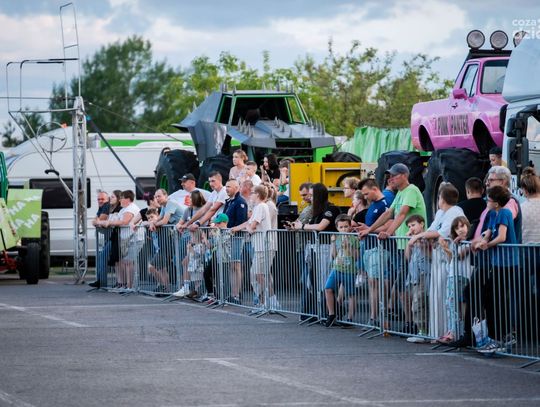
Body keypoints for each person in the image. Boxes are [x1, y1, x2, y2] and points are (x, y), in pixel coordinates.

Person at [359, 163, 427, 334]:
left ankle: (415, 324)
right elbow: (388, 213)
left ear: (404, 175)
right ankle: (410, 322)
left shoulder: (411, 190)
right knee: (403, 286)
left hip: (413, 246)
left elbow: (402, 213)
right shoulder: (401, 193)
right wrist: (370, 229)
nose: (391, 179)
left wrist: (388, 232)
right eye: (390, 176)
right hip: (403, 246)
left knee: (408, 286)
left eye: (394, 176)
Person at [407, 183, 464, 339]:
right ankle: (436, 332)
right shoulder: (440, 213)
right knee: (436, 297)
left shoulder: (455, 212)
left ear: (442, 198)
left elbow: (441, 233)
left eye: (439, 197)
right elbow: (431, 230)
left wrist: (419, 236)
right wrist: (420, 236)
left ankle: (449, 332)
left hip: (447, 259)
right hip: (437, 259)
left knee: (446, 298)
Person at [473, 186, 519, 350]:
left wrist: (487, 245)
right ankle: (495, 335)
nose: (486, 201)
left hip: (507, 263)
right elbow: (488, 232)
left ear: (497, 203)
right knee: (491, 297)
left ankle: (501, 336)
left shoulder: (504, 213)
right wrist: (483, 240)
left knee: (498, 299)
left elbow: (502, 236)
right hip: (497, 262)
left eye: (489, 199)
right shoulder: (493, 213)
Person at [291, 183, 341, 319]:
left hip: (326, 248)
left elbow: (320, 226)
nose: (310, 198)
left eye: (312, 195)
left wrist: (302, 226)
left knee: (324, 282)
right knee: (312, 282)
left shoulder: (331, 209)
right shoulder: (316, 211)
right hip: (314, 248)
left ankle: (330, 313)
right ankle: (318, 312)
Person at [357, 178, 392, 327]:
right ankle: (373, 317)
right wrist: (364, 229)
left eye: (366, 194)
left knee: (375, 282)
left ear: (374, 189)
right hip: (369, 247)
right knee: (373, 282)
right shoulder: (373, 205)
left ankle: (376, 317)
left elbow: (389, 225)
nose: (365, 197)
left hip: (380, 248)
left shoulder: (385, 203)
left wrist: (368, 230)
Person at [438, 216, 473, 344]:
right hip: (453, 275)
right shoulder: (456, 242)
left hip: (462, 276)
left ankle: (457, 332)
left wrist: (445, 247)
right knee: (450, 304)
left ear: (468, 226)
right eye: (457, 228)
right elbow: (451, 259)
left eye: (462, 226)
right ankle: (453, 331)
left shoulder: (468, 242)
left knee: (459, 305)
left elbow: (459, 256)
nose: (460, 230)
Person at [324, 215, 359, 327]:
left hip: (349, 270)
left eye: (346, 226)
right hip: (337, 268)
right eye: (341, 227)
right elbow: (334, 255)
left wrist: (349, 247)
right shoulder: (338, 238)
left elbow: (356, 257)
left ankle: (350, 318)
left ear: (350, 227)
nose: (344, 229)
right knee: (328, 288)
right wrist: (333, 243)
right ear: (337, 228)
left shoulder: (354, 239)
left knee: (350, 294)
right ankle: (331, 314)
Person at [104, 190, 140, 290]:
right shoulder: (124, 209)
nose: (120, 200)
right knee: (124, 262)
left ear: (128, 199)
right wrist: (111, 222)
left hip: (134, 238)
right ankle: (125, 285)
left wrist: (110, 223)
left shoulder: (131, 208)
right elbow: (118, 220)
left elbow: (124, 221)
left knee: (128, 262)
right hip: (126, 238)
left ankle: (130, 286)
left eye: (122, 198)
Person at [404, 215, 431, 343]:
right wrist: (409, 243)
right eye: (409, 226)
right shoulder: (413, 240)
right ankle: (422, 330)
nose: (411, 228)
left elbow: (429, 255)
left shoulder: (426, 237)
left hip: (424, 274)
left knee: (419, 304)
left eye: (413, 225)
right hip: (414, 276)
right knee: (416, 304)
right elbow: (407, 257)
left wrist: (418, 242)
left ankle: (423, 331)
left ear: (422, 224)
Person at [223, 179, 248, 303]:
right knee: (231, 266)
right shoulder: (229, 201)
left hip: (237, 237)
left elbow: (242, 221)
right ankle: (233, 294)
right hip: (228, 237)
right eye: (226, 186)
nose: (226, 189)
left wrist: (232, 230)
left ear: (236, 188)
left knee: (236, 265)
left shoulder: (240, 202)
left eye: (229, 186)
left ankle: (236, 294)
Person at [90, 191, 110, 288]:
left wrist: (97, 221)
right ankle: (100, 281)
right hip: (108, 237)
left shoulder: (106, 206)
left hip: (112, 237)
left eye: (102, 199)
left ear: (107, 199)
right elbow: (94, 221)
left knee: (102, 257)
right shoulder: (101, 207)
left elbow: (100, 219)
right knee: (101, 257)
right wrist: (97, 221)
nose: (100, 201)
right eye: (98, 199)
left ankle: (101, 282)